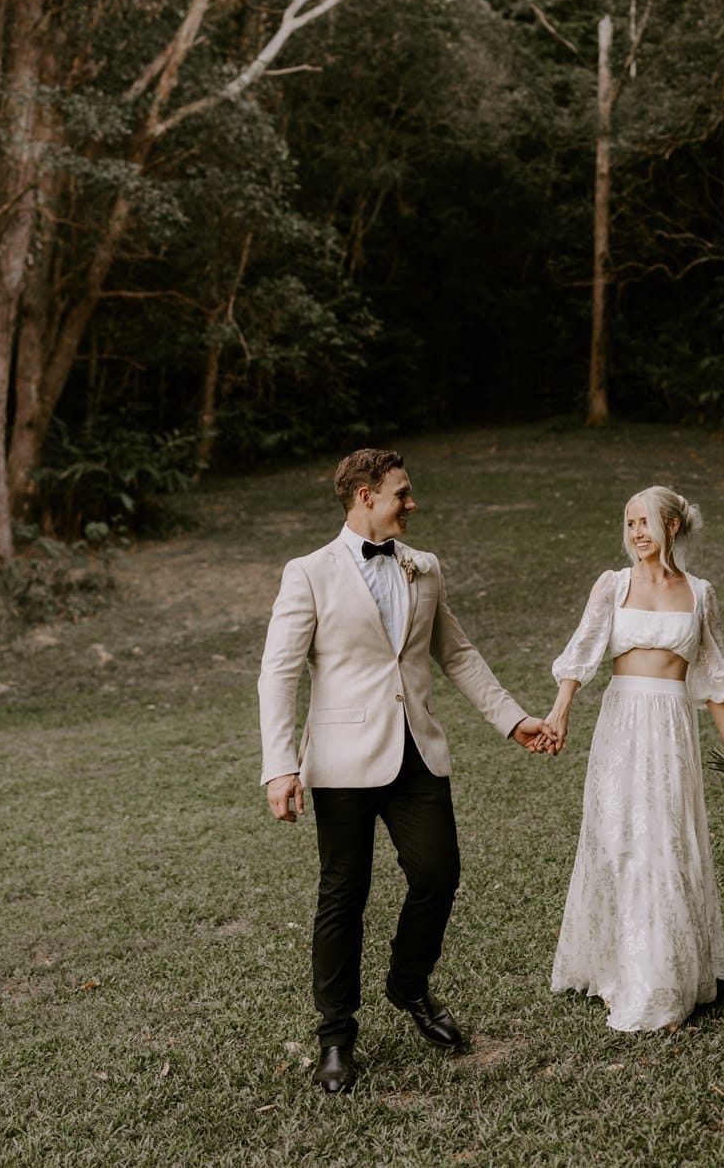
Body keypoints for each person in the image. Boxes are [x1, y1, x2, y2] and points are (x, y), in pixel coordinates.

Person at [257, 447, 554, 1094]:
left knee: (438, 874)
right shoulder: (308, 573)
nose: (412, 503)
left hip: (418, 752)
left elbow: (458, 653)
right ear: (365, 496)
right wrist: (280, 766)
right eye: (402, 493)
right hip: (341, 762)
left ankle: (408, 983)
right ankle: (336, 1036)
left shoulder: (425, 567)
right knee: (344, 895)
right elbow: (278, 673)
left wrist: (513, 720)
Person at [540, 486, 724, 1032]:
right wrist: (560, 713)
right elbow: (581, 653)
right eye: (629, 523)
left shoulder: (700, 594)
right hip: (621, 725)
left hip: (672, 727)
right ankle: (619, 971)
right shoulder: (613, 585)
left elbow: (713, 679)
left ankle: (664, 980)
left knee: (666, 842)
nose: (636, 533)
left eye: (645, 522)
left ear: (672, 526)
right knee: (620, 839)